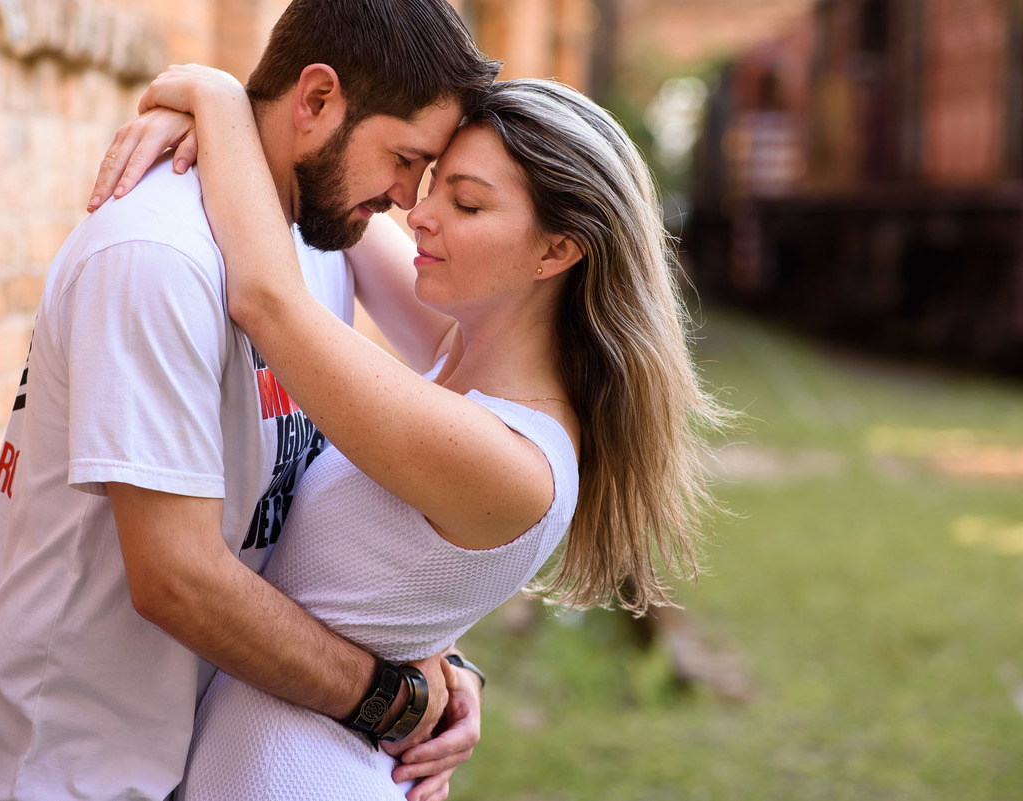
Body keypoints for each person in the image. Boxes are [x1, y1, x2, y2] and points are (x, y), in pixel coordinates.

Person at [93, 65, 729, 800]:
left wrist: (210, 95)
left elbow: (267, 298)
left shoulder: (510, 456)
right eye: (431, 185)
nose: (420, 215)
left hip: (302, 776)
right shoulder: (463, 354)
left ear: (556, 251)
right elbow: (325, 195)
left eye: (466, 203)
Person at [0, 3, 500, 800]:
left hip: (188, 762)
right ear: (318, 98)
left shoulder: (315, 238)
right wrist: (388, 700)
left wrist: (435, 658)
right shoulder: (160, 255)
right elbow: (177, 576)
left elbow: (488, 370)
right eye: (403, 157)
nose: (405, 196)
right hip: (54, 769)